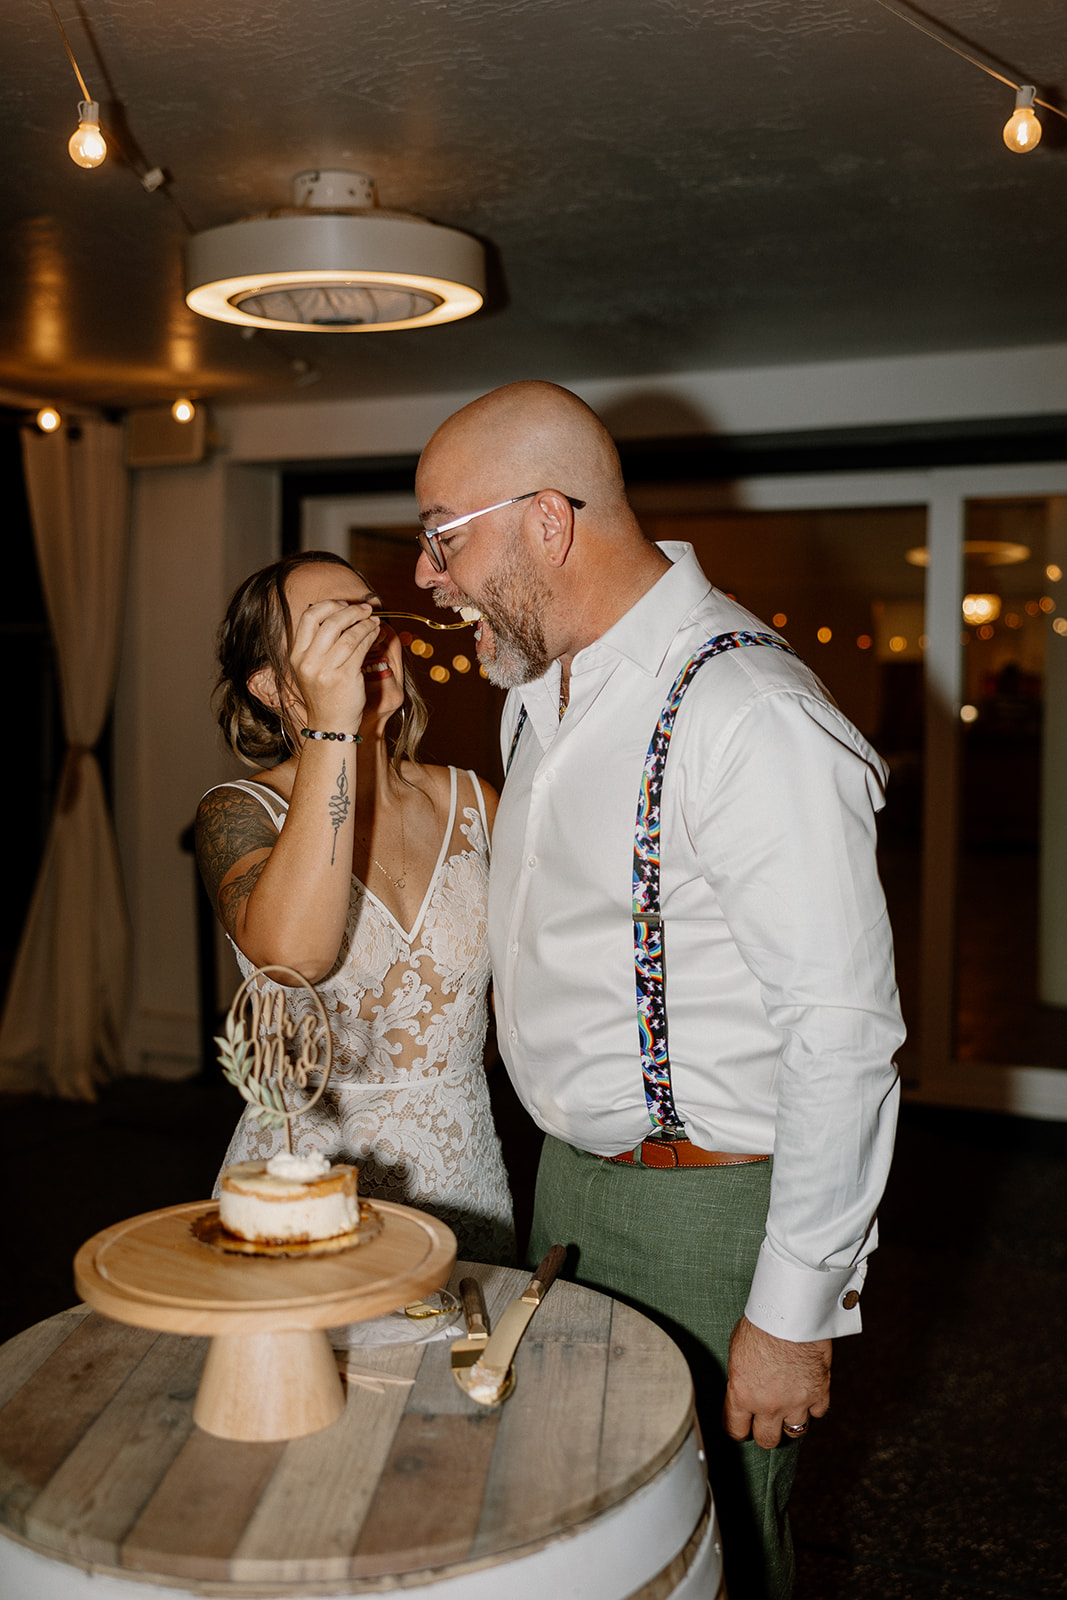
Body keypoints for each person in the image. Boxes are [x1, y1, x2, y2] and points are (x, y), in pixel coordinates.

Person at [412, 382, 904, 1598]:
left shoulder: (746, 711)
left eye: (440, 534)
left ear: (544, 521)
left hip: (711, 1217)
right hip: (572, 1191)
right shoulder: (543, 694)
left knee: (716, 1547)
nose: (426, 576)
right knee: (584, 1524)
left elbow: (840, 1038)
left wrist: (790, 1316)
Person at [195, 550, 514, 1265]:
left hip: (461, 1173)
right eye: (329, 629)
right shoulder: (238, 813)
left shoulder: (474, 802)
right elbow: (293, 954)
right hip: (305, 1183)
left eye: (370, 619)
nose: (366, 643)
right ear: (273, 685)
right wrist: (333, 731)